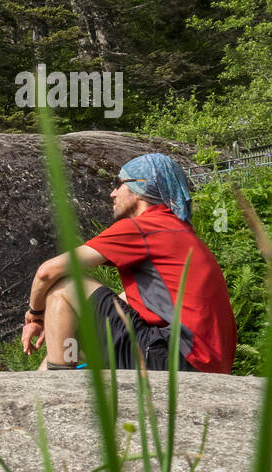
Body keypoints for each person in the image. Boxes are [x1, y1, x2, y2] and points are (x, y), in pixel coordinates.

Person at [21, 152, 236, 373]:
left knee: (64, 285)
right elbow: (127, 302)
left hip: (175, 356)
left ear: (141, 189)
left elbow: (47, 272)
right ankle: (38, 394)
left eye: (119, 184)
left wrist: (35, 316)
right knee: (74, 336)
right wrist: (59, 322)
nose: (112, 193)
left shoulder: (146, 226)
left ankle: (57, 392)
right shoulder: (177, 232)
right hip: (196, 361)